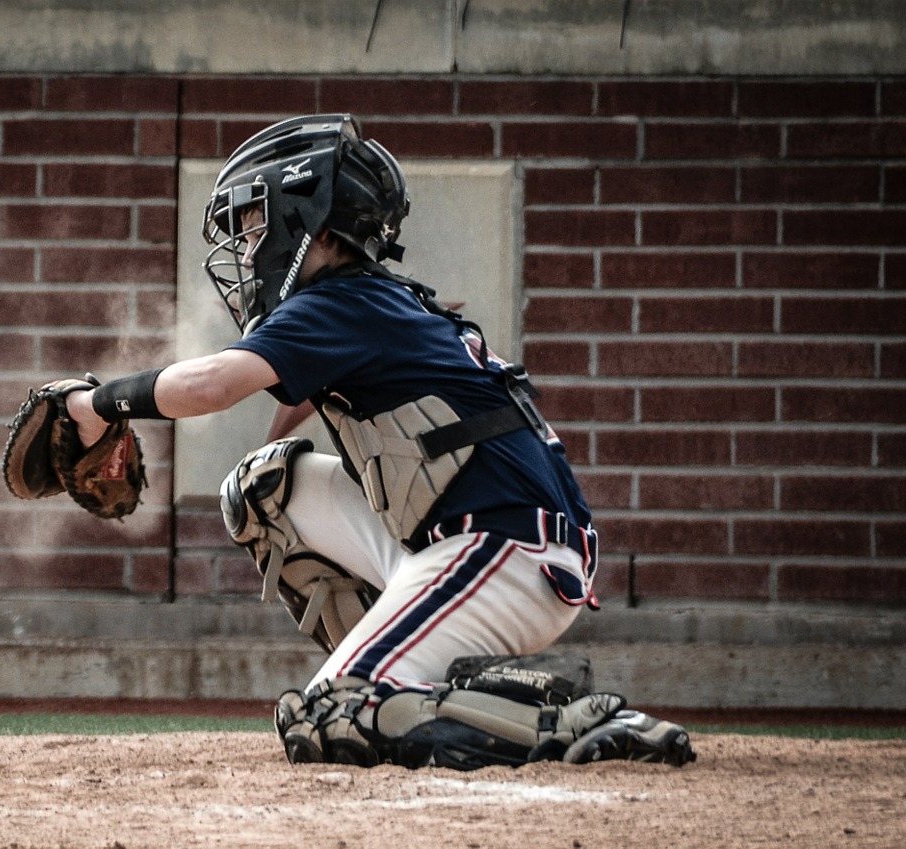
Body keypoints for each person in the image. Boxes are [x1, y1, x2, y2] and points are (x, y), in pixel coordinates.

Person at [65, 114, 694, 769]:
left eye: (257, 224)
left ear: (309, 219)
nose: (249, 246)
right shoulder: (371, 301)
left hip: (503, 551)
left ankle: (557, 718)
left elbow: (211, 386)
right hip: (491, 539)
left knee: (329, 714)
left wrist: (98, 403)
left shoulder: (341, 303)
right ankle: (393, 675)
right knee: (262, 489)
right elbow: (302, 391)